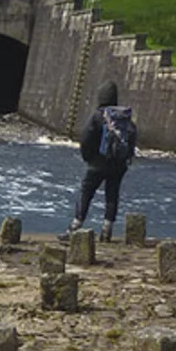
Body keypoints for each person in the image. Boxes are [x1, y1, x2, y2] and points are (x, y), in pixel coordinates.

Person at [63, 80, 136, 242]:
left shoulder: (99, 115)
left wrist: (88, 158)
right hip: (118, 164)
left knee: (86, 191)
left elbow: (86, 139)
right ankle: (106, 230)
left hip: (98, 163)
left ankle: (75, 226)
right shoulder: (123, 116)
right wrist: (126, 159)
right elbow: (132, 135)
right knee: (112, 195)